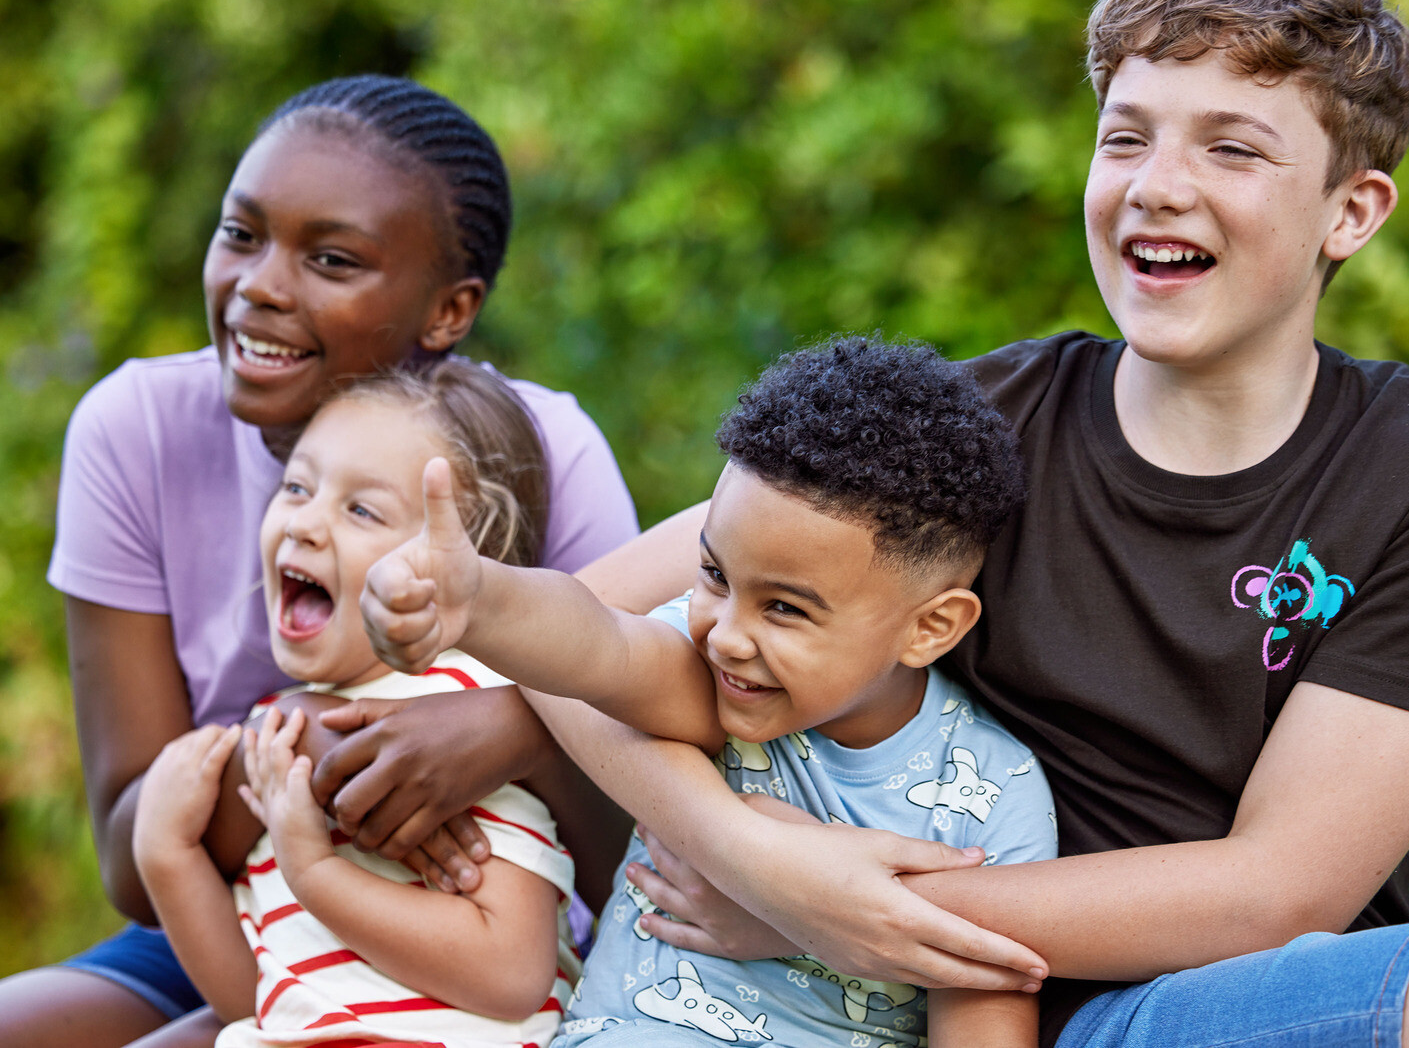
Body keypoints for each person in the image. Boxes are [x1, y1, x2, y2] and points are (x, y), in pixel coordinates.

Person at [418, 0, 1409, 1048]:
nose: (1158, 186)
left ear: (1351, 210)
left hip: (1213, 1003)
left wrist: (844, 913)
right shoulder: (977, 423)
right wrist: (764, 863)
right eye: (1125, 137)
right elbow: (586, 630)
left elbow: (1276, 891)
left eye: (1233, 149)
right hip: (941, 1009)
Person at [18, 74, 638, 1048]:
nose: (260, 285)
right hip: (234, 909)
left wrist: (514, 735)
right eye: (241, 233)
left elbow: (634, 837)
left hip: (475, 935)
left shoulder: (541, 454)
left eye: (332, 258)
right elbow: (131, 858)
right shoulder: (136, 429)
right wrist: (309, 738)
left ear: (450, 309)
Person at [361, 337, 1056, 1047]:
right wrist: (481, 598)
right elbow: (596, 641)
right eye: (715, 575)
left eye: (784, 607)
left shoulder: (993, 794)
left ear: (930, 627)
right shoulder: (710, 684)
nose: (725, 634)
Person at [134, 364, 580, 1048]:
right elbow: (264, 1000)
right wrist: (167, 855)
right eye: (296, 487)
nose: (305, 523)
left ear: (464, 560)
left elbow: (513, 971)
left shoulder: (459, 715)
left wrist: (317, 874)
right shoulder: (277, 732)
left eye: (361, 510)